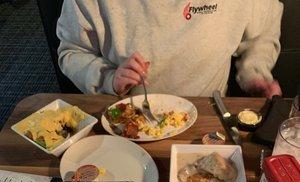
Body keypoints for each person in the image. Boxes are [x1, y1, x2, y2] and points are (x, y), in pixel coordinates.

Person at [57, 0, 283, 98]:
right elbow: (71, 52)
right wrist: (108, 77)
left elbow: (263, 28)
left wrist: (254, 71)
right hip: (125, 116)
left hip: (208, 117)